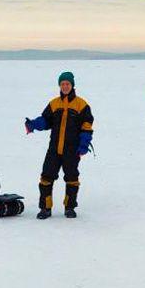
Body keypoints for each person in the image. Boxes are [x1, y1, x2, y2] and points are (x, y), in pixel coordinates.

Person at [24, 71, 94, 219]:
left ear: (72, 85)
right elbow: (45, 120)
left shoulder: (82, 105)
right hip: (54, 148)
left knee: (72, 178)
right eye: (62, 84)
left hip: (72, 149)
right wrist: (33, 124)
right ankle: (45, 208)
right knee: (46, 177)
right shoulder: (54, 103)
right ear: (59, 86)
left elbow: (87, 127)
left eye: (67, 84)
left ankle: (69, 207)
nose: (65, 86)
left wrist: (83, 145)